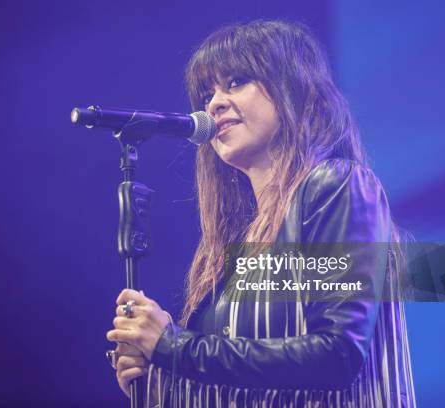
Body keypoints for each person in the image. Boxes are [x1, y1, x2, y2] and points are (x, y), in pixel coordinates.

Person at [106, 20, 416, 407]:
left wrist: (172, 346)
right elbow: (255, 383)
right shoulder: (237, 245)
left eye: (236, 81)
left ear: (295, 89)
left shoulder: (335, 185)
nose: (214, 103)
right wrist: (164, 386)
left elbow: (337, 354)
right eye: (207, 92)